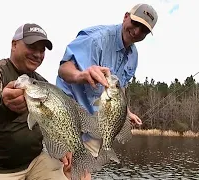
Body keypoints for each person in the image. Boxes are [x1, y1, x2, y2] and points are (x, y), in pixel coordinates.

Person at [56, 3, 158, 178]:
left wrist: (126, 112)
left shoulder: (134, 56)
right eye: (136, 23)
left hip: (95, 122)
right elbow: (63, 70)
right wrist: (82, 75)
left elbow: (121, 88)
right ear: (126, 16)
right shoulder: (96, 39)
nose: (137, 31)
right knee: (63, 171)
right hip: (68, 117)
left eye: (144, 30)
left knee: (82, 172)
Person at [0, 23, 72, 180]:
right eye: (32, 47)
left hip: (36, 161)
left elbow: (51, 123)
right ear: (14, 44)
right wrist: (3, 103)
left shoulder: (42, 83)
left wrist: (64, 145)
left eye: (42, 50)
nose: (38, 54)